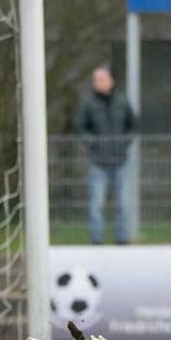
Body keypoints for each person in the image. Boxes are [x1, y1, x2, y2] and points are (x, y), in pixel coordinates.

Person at [75, 65, 137, 245]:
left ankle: (122, 240)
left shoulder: (122, 102)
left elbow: (132, 126)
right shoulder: (88, 104)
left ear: (110, 81)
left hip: (121, 160)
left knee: (123, 204)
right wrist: (91, 142)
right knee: (96, 205)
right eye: (96, 80)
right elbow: (80, 127)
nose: (98, 83)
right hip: (98, 162)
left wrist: (124, 142)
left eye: (101, 79)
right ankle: (97, 241)